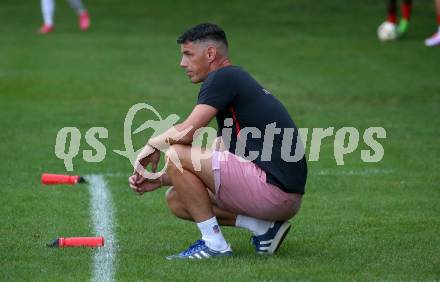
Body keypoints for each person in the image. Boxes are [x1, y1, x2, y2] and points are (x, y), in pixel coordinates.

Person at [128, 23, 307, 260]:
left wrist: (152, 144)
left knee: (176, 152)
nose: (183, 63)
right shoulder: (234, 84)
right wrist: (159, 179)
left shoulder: (223, 77)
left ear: (210, 54)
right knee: (177, 199)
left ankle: (214, 245)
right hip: (282, 197)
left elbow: (186, 133)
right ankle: (264, 229)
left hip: (273, 191)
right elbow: (218, 158)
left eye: (188, 54)